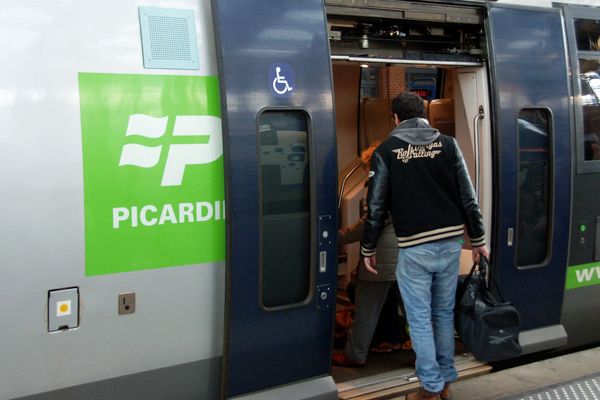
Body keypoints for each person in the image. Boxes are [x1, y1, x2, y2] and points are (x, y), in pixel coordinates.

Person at [360, 92, 489, 400]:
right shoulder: (448, 144)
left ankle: (429, 388)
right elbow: (468, 196)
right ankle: (444, 383)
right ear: (424, 115)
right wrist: (479, 239)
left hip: (415, 249)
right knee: (443, 315)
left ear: (395, 118)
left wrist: (368, 247)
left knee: (419, 319)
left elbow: (376, 205)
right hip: (449, 243)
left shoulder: (387, 150)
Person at [333, 143, 407, 368]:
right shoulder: (404, 182)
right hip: (407, 256)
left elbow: (369, 224)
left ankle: (355, 354)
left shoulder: (380, 185)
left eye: (367, 166)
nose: (367, 171)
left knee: (366, 307)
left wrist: (336, 238)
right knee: (416, 311)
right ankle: (427, 355)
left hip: (382, 258)